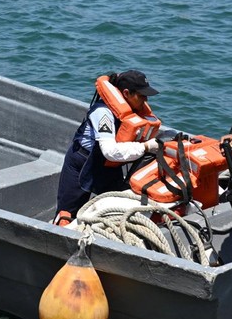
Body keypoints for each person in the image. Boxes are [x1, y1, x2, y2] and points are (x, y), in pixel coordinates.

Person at [54, 69, 170, 226]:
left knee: (118, 207)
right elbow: (110, 151)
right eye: (141, 95)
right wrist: (145, 147)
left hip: (109, 167)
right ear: (127, 93)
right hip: (82, 163)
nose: (146, 99)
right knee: (66, 215)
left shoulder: (133, 111)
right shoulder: (103, 113)